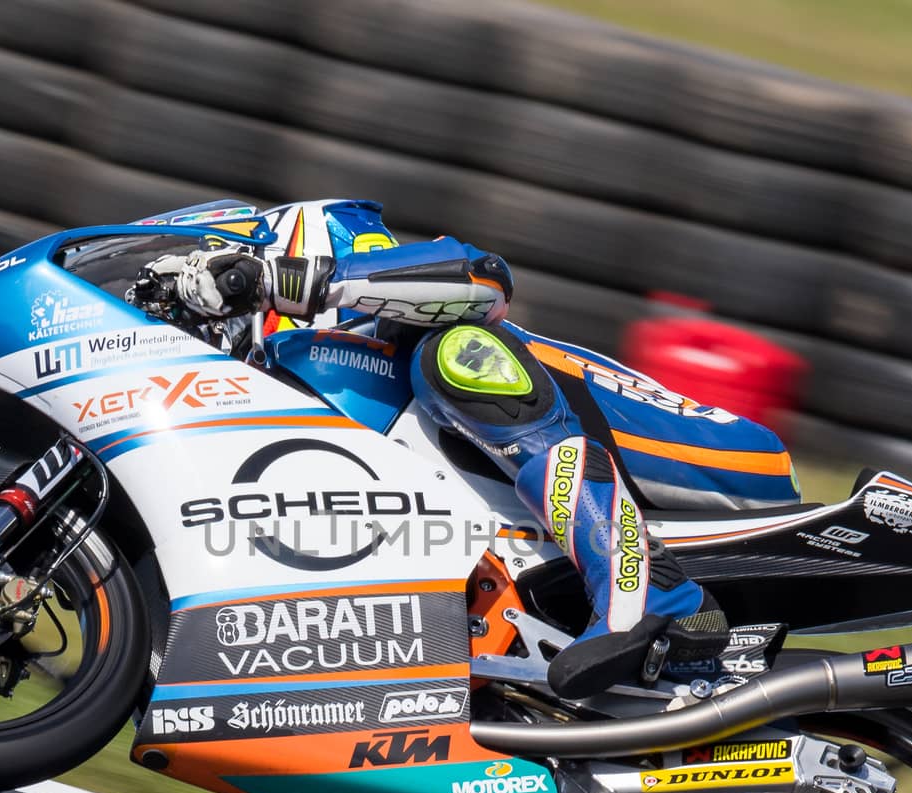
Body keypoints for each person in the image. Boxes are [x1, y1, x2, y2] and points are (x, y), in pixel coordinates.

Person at [130, 202, 798, 699]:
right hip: (565, 489)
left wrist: (280, 279)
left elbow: (485, 278)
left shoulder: (357, 302)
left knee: (452, 351)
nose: (192, 311)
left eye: (194, 289)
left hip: (707, 450)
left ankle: (643, 584)